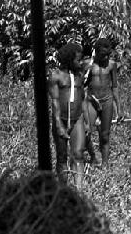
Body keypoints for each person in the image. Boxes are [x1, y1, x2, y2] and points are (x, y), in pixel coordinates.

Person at [48, 43, 90, 188]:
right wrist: (59, 125)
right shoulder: (56, 76)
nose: (80, 62)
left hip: (77, 118)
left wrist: (86, 121)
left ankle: (79, 190)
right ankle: (63, 190)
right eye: (77, 60)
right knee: (61, 157)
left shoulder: (79, 76)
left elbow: (82, 99)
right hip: (62, 120)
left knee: (78, 154)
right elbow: (55, 102)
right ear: (68, 60)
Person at [83, 38, 123, 170]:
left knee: (105, 135)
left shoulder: (112, 65)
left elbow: (115, 87)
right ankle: (94, 157)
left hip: (107, 100)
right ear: (96, 52)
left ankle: (105, 165)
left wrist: (119, 109)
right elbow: (80, 85)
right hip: (91, 101)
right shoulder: (88, 65)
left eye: (108, 55)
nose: (105, 58)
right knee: (86, 132)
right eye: (102, 55)